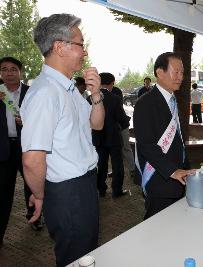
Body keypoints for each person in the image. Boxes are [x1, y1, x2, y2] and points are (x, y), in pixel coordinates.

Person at [20, 14, 105, 266]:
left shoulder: (66, 88)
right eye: (80, 44)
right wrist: (40, 194)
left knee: (86, 254)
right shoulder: (46, 92)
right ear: (59, 46)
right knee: (76, 257)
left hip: (82, 187)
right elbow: (32, 160)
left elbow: (96, 124)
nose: (85, 51)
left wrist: (96, 94)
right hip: (69, 193)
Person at [133, 52, 194, 220]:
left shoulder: (173, 100)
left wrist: (185, 167)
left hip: (177, 177)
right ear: (160, 72)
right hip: (159, 178)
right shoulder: (145, 103)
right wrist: (172, 171)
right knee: (156, 225)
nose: (181, 77)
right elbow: (146, 145)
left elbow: (178, 139)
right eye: (176, 72)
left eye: (182, 72)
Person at [0, 57, 43, 246]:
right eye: (4, 69)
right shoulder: (0, 92)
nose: (9, 73)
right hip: (3, 149)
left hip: (27, 146)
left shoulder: (32, 92)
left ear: (20, 72)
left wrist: (26, 122)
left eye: (13, 69)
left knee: (31, 185)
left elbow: (41, 119)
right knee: (3, 192)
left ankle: (33, 216)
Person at [91, 72, 129, 198]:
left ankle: (101, 189)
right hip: (113, 137)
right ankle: (116, 190)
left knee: (101, 164)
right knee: (117, 164)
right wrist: (124, 123)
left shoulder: (89, 98)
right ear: (111, 83)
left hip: (98, 137)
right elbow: (122, 119)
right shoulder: (115, 99)